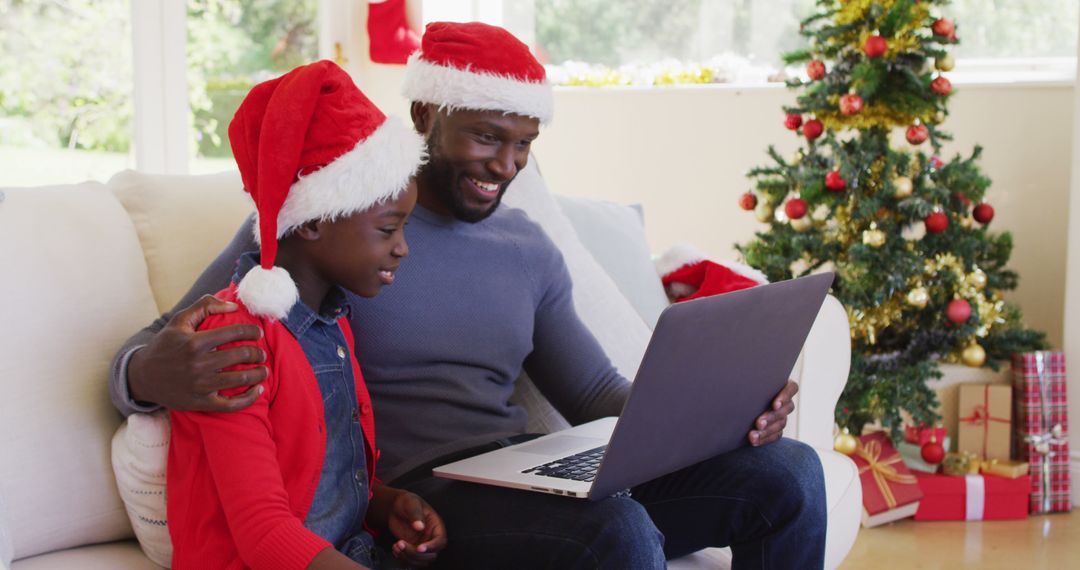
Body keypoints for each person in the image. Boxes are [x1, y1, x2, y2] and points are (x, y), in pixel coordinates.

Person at [112, 22, 826, 569]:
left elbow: (596, 394)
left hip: (527, 471)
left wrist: (723, 410)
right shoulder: (329, 224)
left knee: (788, 473)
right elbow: (158, 351)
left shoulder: (526, 246)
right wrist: (147, 374)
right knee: (615, 529)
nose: (506, 166)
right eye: (486, 137)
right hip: (427, 498)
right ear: (427, 113)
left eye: (524, 144)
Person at [165, 60, 446, 570]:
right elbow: (264, 534)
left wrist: (385, 504)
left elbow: (318, 480)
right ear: (313, 221)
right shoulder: (235, 339)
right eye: (388, 229)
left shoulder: (332, 323)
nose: (403, 248)